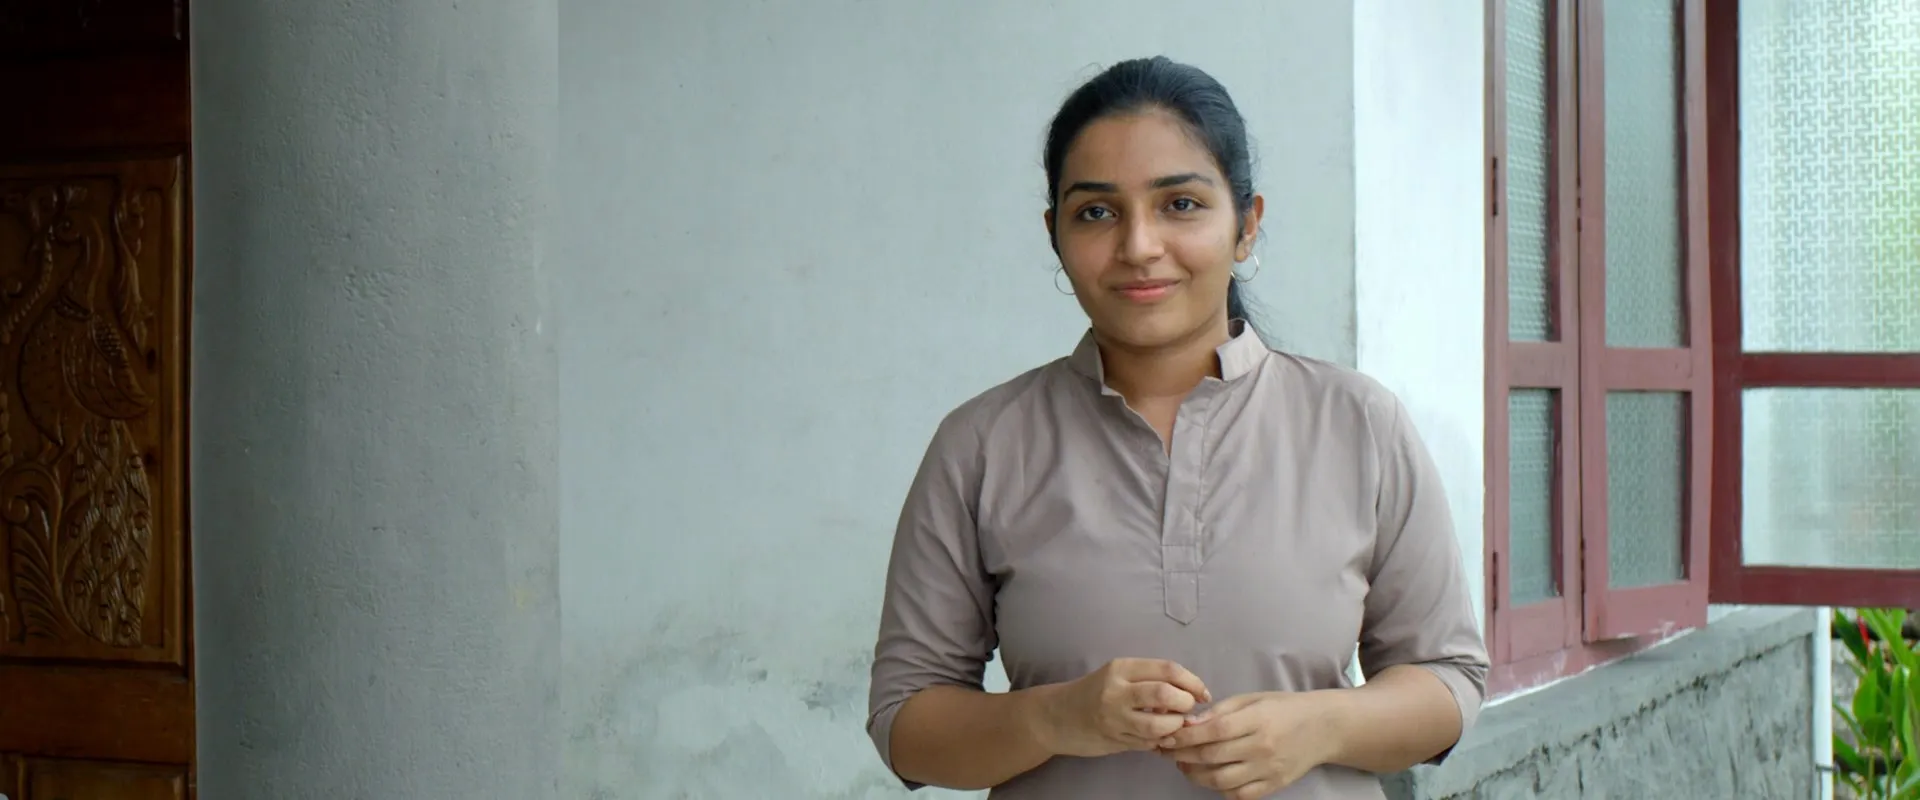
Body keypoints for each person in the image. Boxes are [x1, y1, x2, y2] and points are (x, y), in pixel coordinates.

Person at [864, 56, 1487, 799]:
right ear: (1055, 235)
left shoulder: (1358, 423)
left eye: (1181, 204)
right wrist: (1052, 719)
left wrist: (1323, 725)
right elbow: (905, 722)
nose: (1138, 246)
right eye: (1096, 213)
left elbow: (1449, 680)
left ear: (1246, 225)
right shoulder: (982, 445)